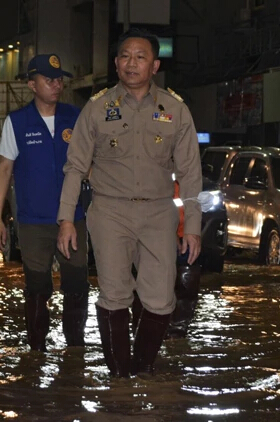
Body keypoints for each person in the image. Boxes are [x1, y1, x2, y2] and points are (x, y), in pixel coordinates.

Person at [57, 28, 203, 378]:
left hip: (158, 212)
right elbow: (75, 166)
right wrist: (65, 219)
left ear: (154, 66)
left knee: (161, 300)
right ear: (116, 63)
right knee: (114, 294)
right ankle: (120, 380)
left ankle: (142, 368)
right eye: (125, 56)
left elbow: (191, 174)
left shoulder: (176, 110)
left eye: (140, 57)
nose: (131, 63)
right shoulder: (96, 108)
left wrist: (193, 227)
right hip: (109, 211)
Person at [0, 54, 89, 352]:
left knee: (76, 284)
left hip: (75, 217)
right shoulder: (17, 122)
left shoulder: (76, 117)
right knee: (36, 287)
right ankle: (36, 351)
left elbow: (92, 165)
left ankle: (75, 350)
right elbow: (4, 170)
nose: (56, 85)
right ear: (32, 85)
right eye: (49, 80)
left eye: (59, 80)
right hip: (33, 221)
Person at [132, 180, 202, 340]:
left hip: (185, 232)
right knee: (146, 283)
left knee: (186, 282)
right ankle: (143, 335)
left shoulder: (187, 171)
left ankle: (176, 333)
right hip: (154, 231)